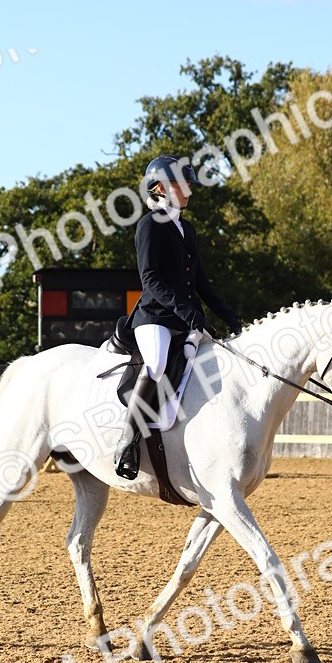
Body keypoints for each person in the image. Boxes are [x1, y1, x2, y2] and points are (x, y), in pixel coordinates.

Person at [114, 154, 243, 480]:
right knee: (156, 364)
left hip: (185, 319)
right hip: (154, 318)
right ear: (159, 187)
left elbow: (199, 282)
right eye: (181, 185)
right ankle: (127, 441)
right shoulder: (148, 225)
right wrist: (190, 314)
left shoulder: (186, 228)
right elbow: (151, 281)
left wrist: (229, 315)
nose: (189, 191)